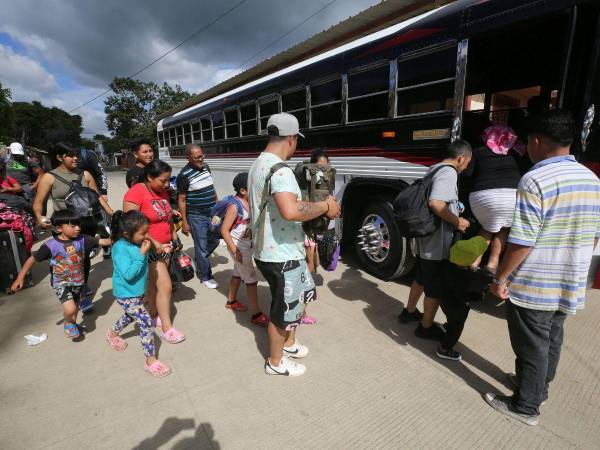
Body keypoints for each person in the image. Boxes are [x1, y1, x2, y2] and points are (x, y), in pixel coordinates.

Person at [485, 111, 600, 426]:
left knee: (531, 343)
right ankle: (537, 388)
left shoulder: (535, 179)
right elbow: (594, 236)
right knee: (552, 337)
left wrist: (501, 277)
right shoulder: (592, 179)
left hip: (536, 281)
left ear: (536, 141)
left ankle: (525, 406)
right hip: (570, 279)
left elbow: (522, 241)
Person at [249, 113, 340, 377]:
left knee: (296, 301)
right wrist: (325, 206)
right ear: (291, 138)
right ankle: (275, 362)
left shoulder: (258, 164)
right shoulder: (280, 170)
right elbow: (290, 211)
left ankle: (288, 344)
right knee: (283, 310)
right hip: (281, 253)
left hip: (278, 249)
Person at [400, 140, 472, 352]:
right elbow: (436, 203)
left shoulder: (434, 169)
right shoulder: (449, 172)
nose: (466, 167)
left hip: (425, 239)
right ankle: (425, 327)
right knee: (435, 287)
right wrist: (457, 221)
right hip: (436, 243)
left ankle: (409, 312)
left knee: (421, 277)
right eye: (467, 163)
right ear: (461, 158)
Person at [33, 143, 114, 313]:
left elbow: (97, 197)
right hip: (64, 227)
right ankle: (67, 287)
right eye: (70, 155)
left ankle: (81, 290)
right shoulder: (49, 177)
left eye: (76, 154)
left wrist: (111, 213)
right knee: (66, 259)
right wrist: (40, 217)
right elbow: (38, 203)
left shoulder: (85, 174)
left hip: (87, 224)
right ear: (59, 157)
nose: (75, 158)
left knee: (83, 259)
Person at [10, 210, 112, 339]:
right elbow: (32, 259)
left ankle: (71, 322)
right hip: (61, 283)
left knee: (74, 310)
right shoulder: (50, 245)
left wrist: (121, 238)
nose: (78, 228)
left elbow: (103, 242)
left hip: (78, 282)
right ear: (59, 228)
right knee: (69, 310)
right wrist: (20, 278)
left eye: (78, 225)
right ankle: (68, 323)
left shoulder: (82, 239)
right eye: (73, 225)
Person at [123, 159, 185, 344]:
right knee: (165, 285)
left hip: (165, 246)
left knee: (153, 286)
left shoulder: (162, 192)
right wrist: (154, 242)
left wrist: (174, 236)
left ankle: (151, 315)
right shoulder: (136, 192)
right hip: (149, 247)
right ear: (149, 177)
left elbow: (166, 218)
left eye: (168, 181)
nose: (166, 185)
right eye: (162, 181)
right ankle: (167, 328)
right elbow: (131, 225)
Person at [105, 210, 172, 377]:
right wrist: (141, 255)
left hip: (138, 292)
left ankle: (112, 333)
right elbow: (128, 274)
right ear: (127, 233)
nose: (146, 236)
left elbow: (148, 256)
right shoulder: (120, 248)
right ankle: (150, 361)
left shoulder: (137, 243)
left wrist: (162, 248)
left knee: (130, 316)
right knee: (146, 322)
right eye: (143, 233)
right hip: (125, 294)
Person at [463, 126, 529, 273]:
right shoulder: (517, 152)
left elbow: (467, 174)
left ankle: (474, 261)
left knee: (487, 228)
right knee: (504, 228)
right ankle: (493, 263)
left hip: (483, 197)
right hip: (511, 197)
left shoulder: (478, 151)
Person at [220, 172, 269, 327]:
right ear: (243, 190)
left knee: (237, 272)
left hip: (246, 245)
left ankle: (231, 301)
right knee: (251, 279)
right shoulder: (235, 206)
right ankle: (256, 314)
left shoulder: (250, 202)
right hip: (239, 248)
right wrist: (235, 250)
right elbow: (224, 230)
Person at [176, 144, 219, 289]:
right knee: (202, 247)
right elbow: (181, 199)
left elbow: (211, 187)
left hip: (212, 211)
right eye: (198, 157)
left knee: (215, 240)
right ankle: (205, 275)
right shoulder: (184, 176)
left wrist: (218, 205)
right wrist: (184, 221)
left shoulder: (206, 167)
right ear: (188, 158)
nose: (202, 159)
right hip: (196, 216)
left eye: (202, 155)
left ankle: (200, 259)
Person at [301, 148, 330, 325]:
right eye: (320, 166)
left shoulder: (323, 183)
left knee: (313, 264)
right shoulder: (306, 183)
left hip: (313, 231)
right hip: (305, 231)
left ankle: (307, 292)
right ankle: (303, 311)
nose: (323, 169)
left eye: (326, 166)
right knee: (308, 267)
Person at [78, 147, 111, 259]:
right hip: (77, 197)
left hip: (94, 193)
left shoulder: (86, 155)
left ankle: (107, 246)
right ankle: (90, 246)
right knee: (84, 224)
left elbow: (102, 174)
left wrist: (103, 192)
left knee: (101, 222)